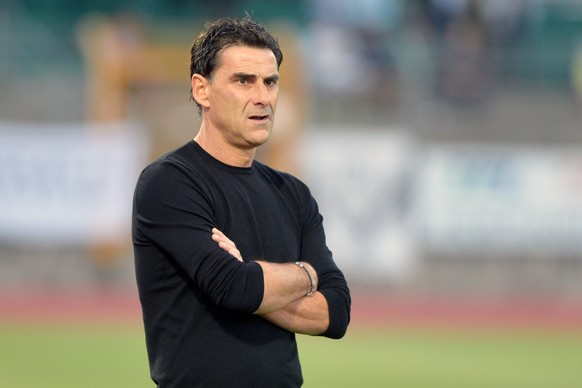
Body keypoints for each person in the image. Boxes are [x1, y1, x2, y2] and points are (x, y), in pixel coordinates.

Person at [132, 16, 351, 387]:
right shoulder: (169, 182)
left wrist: (251, 277)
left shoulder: (293, 194)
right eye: (243, 80)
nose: (262, 97)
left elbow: (336, 313)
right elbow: (234, 288)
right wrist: (306, 274)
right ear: (202, 90)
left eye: (270, 82)